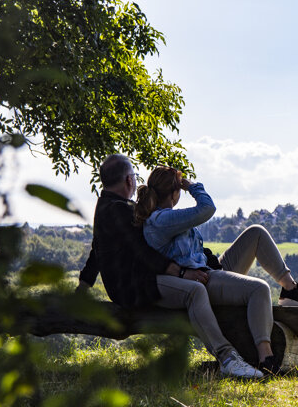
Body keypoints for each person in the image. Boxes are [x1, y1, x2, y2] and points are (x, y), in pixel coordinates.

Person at [78, 154, 263, 380]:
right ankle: (227, 357)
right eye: (134, 177)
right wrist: (183, 273)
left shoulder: (107, 206)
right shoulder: (118, 209)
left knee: (202, 286)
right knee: (195, 291)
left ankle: (233, 352)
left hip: (139, 281)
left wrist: (84, 285)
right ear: (129, 180)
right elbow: (142, 252)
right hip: (134, 287)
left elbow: (96, 249)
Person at [135, 166, 298, 376]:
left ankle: (290, 289)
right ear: (174, 192)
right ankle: (266, 358)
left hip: (208, 269)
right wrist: (193, 186)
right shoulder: (161, 220)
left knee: (256, 233)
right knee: (259, 289)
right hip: (201, 279)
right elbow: (207, 208)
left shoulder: (167, 217)